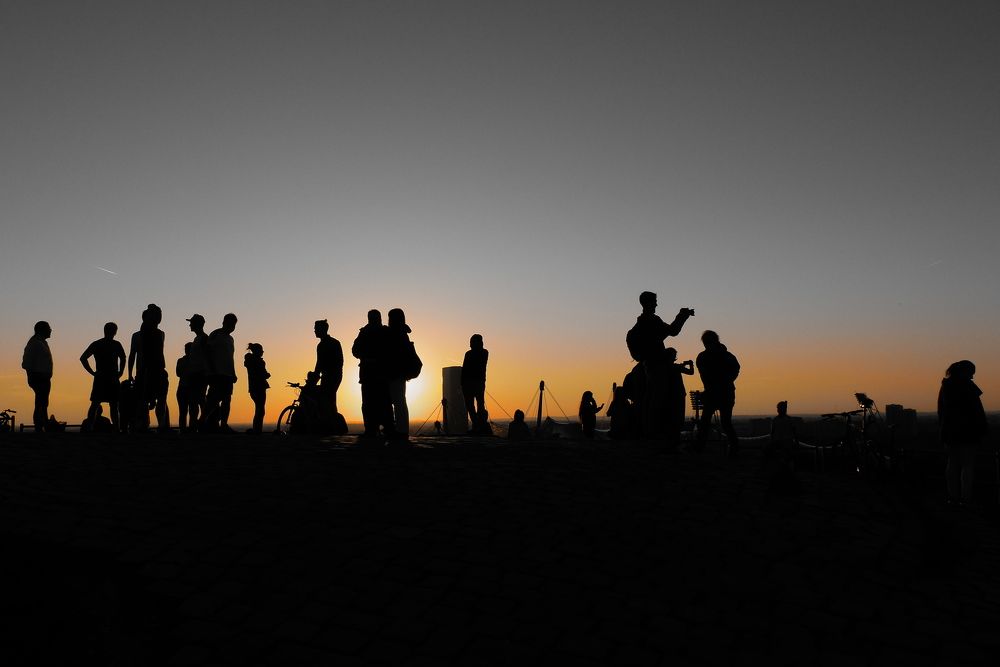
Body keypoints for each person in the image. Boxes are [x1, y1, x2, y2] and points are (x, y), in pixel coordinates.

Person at [625, 292, 694, 439]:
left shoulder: (642, 325)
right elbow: (673, 331)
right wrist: (682, 315)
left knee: (653, 400)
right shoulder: (650, 322)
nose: (656, 304)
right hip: (656, 367)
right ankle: (655, 434)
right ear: (647, 303)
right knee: (658, 400)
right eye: (654, 302)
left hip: (652, 365)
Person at [938, 360, 989, 505]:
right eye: (971, 373)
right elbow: (977, 412)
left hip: (950, 432)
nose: (972, 376)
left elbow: (942, 412)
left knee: (952, 464)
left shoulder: (946, 387)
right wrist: (982, 429)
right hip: (968, 432)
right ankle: (966, 498)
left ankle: (953, 496)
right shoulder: (968, 387)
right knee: (967, 465)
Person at [694, 330, 741, 456]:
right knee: (724, 423)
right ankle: (734, 448)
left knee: (708, 423)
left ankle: (700, 448)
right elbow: (735, 370)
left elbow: (705, 375)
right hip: (724, 393)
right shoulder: (727, 356)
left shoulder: (703, 357)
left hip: (717, 393)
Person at [79, 322, 127, 433]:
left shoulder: (97, 344)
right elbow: (123, 358)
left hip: (101, 377)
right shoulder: (116, 344)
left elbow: (83, 358)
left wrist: (92, 372)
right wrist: (121, 371)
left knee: (96, 403)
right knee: (113, 405)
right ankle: (116, 428)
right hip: (111, 377)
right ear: (115, 332)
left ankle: (91, 427)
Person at [129, 304, 169, 432]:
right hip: (145, 370)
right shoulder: (139, 334)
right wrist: (130, 373)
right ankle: (144, 425)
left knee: (160, 399)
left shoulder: (160, 334)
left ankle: (161, 426)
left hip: (157, 369)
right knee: (144, 400)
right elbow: (132, 355)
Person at [352, 310, 390, 439]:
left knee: (372, 402)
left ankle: (373, 429)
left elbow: (355, 350)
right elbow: (355, 350)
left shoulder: (365, 332)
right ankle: (381, 428)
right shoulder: (383, 332)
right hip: (377, 374)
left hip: (373, 373)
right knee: (380, 402)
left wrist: (367, 356)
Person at [385, 308, 417, 441]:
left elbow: (394, 354)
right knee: (399, 401)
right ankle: (401, 429)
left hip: (395, 372)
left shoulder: (396, 333)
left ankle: (401, 430)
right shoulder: (402, 333)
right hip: (399, 373)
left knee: (398, 402)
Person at [203, 313, 238, 433]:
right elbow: (208, 352)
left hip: (228, 375)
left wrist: (233, 373)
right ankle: (202, 422)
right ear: (224, 322)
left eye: (234, 324)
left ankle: (223, 424)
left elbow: (230, 357)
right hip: (216, 374)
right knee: (213, 400)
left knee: (227, 400)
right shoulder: (215, 334)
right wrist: (211, 370)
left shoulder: (230, 338)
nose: (232, 326)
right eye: (230, 323)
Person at [22, 321, 53, 432]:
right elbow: (26, 363)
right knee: (40, 403)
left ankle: (43, 424)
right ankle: (40, 426)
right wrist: (33, 376)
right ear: (42, 330)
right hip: (38, 377)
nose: (51, 330)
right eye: (49, 328)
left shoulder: (41, 342)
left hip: (44, 377)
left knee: (43, 403)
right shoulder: (35, 343)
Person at [664, 347, 694, 448]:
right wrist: (690, 364)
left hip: (669, 395)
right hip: (678, 395)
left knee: (670, 418)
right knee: (678, 418)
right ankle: (675, 440)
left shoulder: (665, 367)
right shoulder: (675, 367)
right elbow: (691, 372)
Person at [314, 319, 344, 419]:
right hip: (331, 375)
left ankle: (331, 423)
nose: (314, 330)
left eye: (316, 328)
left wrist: (316, 375)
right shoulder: (330, 343)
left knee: (327, 400)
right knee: (329, 400)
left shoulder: (327, 344)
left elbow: (320, 363)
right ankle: (331, 423)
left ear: (322, 329)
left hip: (331, 376)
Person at [462, 334, 489, 434]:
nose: (470, 345)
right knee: (471, 406)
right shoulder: (470, 354)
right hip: (471, 383)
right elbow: (464, 369)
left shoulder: (483, 353)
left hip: (476, 382)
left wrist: (463, 383)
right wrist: (463, 383)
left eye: (472, 342)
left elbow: (467, 369)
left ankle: (479, 425)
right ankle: (476, 424)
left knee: (479, 405)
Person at [186, 314, 209, 430]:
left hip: (200, 374)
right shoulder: (197, 338)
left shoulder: (204, 338)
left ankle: (202, 424)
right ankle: (195, 425)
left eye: (192, 323)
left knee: (199, 400)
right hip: (195, 374)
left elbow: (207, 356)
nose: (190, 325)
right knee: (195, 400)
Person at [244, 342, 270, 435]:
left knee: (259, 408)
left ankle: (257, 429)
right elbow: (262, 373)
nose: (262, 352)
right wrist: (267, 375)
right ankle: (257, 430)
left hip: (254, 387)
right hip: (259, 387)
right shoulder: (258, 361)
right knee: (260, 409)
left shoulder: (250, 360)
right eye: (261, 351)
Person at [175, 343, 195, 432]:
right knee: (190, 410)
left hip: (184, 387)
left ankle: (185, 429)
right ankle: (189, 429)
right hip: (186, 387)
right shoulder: (195, 361)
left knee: (184, 411)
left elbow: (178, 373)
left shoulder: (181, 361)